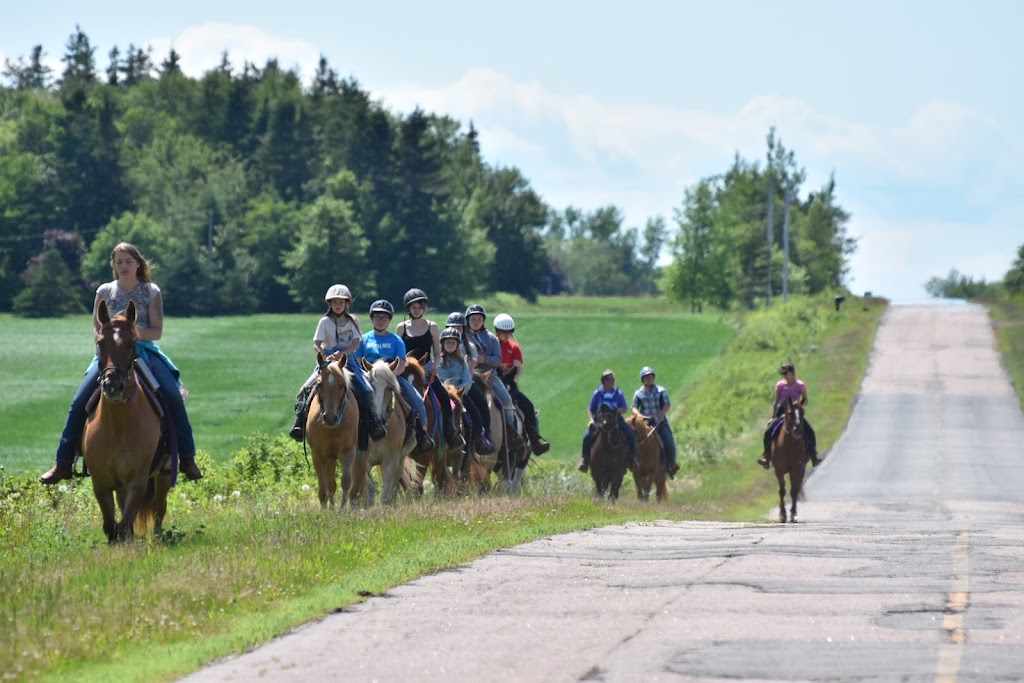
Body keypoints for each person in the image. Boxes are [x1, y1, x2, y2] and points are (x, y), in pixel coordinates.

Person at [40, 242, 202, 484]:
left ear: (138, 263)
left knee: (172, 395)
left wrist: (132, 333)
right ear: (113, 266)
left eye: (128, 261)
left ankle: (187, 458)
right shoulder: (104, 291)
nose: (124, 266)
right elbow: (97, 328)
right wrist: (109, 340)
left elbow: (156, 331)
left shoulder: (151, 291)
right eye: (119, 262)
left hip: (143, 351)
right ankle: (63, 462)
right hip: (110, 357)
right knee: (78, 402)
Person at [289, 284, 387, 444]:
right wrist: (324, 353)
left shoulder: (352, 321)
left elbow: (356, 343)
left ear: (347, 303)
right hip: (326, 363)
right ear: (329, 304)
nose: (338, 305)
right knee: (304, 389)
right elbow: (317, 343)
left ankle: (374, 422)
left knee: (368, 390)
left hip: (348, 362)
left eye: (341, 302)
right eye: (334, 302)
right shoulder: (324, 322)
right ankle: (300, 423)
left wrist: (343, 353)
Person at [353, 299, 434, 452]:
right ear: (372, 318)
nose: (380, 320)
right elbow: (358, 362)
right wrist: (370, 375)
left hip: (393, 376)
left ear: (389, 320)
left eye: (384, 317)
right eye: (377, 317)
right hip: (370, 376)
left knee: (416, 399)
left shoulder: (396, 340)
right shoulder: (364, 339)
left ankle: (422, 434)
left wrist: (390, 376)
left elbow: (402, 364)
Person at [397, 288, 461, 447]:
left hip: (426, 369)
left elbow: (438, 353)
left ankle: (450, 433)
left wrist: (434, 368)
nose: (417, 310)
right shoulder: (401, 328)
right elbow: (397, 352)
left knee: (445, 399)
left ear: (424, 308)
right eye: (413, 307)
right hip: (406, 372)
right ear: (409, 309)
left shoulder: (432, 326)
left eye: (419, 307)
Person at [464, 304, 523, 448]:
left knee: (507, 400)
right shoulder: (462, 337)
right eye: (473, 319)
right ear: (468, 320)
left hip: (489, 376)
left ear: (483, 321)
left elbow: (497, 359)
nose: (476, 321)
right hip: (467, 375)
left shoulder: (491, 338)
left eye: (479, 318)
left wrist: (483, 360)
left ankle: (511, 432)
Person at [493, 313, 550, 455]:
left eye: (509, 332)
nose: (506, 335)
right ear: (497, 331)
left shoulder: (514, 347)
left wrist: (510, 374)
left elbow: (517, 368)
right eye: (503, 332)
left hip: (508, 384)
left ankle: (535, 441)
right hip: (491, 382)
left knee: (528, 407)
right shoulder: (491, 344)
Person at [444, 312, 495, 454]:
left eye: (459, 328)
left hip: (463, 384)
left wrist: (462, 388)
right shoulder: (442, 344)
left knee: (480, 406)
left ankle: (482, 436)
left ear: (464, 330)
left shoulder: (470, 346)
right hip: (445, 387)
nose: (456, 330)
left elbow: (470, 368)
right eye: (452, 327)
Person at [757, 361, 821, 469]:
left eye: (786, 373)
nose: (784, 376)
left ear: (792, 373)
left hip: (795, 412)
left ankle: (813, 455)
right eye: (783, 374)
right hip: (782, 411)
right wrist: (773, 416)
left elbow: (805, 401)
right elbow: (777, 402)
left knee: (810, 432)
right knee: (768, 431)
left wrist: (799, 403)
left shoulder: (800, 385)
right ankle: (767, 456)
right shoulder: (780, 385)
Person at [579, 369, 638, 472]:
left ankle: (631, 459)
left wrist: (616, 410)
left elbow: (624, 408)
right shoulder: (597, 393)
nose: (613, 381)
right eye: (610, 379)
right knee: (587, 437)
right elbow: (590, 409)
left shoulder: (618, 393)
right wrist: (591, 420)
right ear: (604, 381)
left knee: (630, 435)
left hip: (616, 419)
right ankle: (585, 460)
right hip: (600, 420)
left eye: (613, 379)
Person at [631, 366, 679, 478]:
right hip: (645, 423)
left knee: (669, 442)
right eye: (646, 377)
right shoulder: (638, 393)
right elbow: (633, 407)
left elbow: (667, 405)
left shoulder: (661, 391)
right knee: (633, 442)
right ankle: (632, 463)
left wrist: (662, 413)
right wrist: (639, 415)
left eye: (650, 377)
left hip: (659, 422)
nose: (649, 379)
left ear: (654, 378)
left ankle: (671, 465)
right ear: (642, 379)